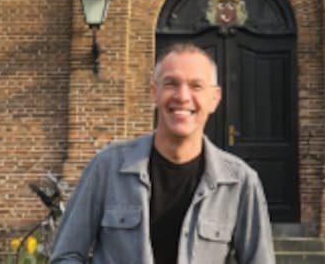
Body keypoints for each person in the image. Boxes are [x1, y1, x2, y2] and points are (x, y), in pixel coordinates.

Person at [47, 42, 275, 263]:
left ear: (214, 99)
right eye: (171, 84)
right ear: (154, 92)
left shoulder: (240, 182)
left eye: (196, 86)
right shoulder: (107, 167)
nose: (182, 96)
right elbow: (66, 255)